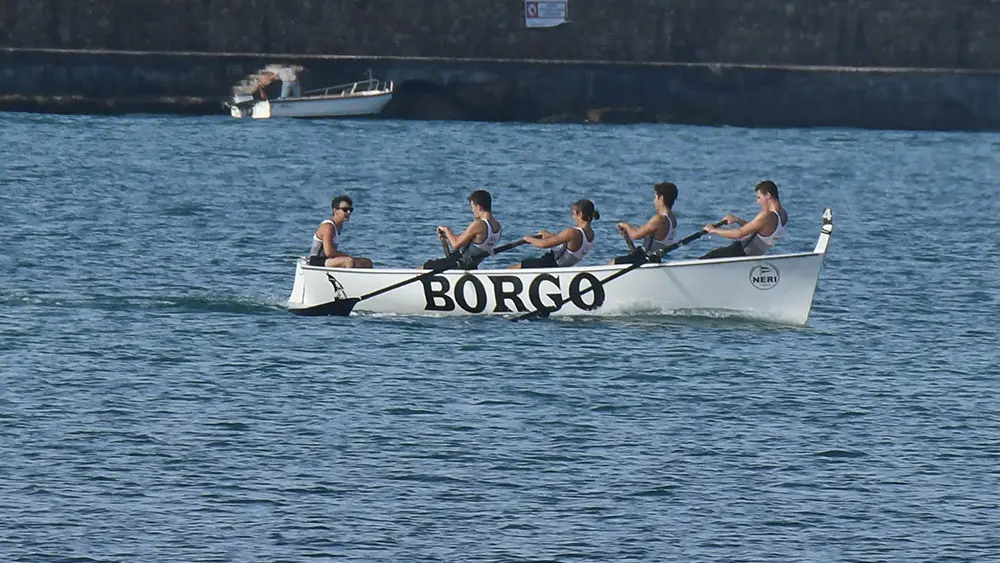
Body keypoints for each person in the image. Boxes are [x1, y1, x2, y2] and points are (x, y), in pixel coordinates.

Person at [700, 180, 788, 259]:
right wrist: (737, 220)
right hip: (750, 257)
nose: (758, 202)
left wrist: (713, 230)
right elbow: (757, 228)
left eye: (759, 197)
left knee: (708, 257)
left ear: (768, 195)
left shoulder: (767, 215)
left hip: (740, 252)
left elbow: (739, 233)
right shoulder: (783, 214)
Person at [422, 190, 502, 270]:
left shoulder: (479, 224)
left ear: (479, 207)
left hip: (458, 263)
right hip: (472, 265)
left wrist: (447, 230)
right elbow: (473, 241)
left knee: (425, 266)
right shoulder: (497, 226)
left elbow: (455, 245)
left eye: (473, 208)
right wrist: (448, 236)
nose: (473, 211)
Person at [509, 199, 599, 269]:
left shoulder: (572, 232)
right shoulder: (590, 234)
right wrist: (550, 235)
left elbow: (543, 245)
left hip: (548, 264)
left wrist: (529, 238)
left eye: (573, 214)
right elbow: (568, 243)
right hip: (560, 267)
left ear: (580, 214)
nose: (573, 217)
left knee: (512, 268)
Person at [610, 181, 679, 264]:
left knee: (612, 263)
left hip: (643, 258)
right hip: (654, 259)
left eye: (655, 197)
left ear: (661, 198)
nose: (654, 201)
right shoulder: (672, 219)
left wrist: (625, 225)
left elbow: (635, 235)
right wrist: (626, 235)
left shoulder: (659, 219)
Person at [308, 195, 373, 268]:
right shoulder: (328, 227)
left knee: (366, 262)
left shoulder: (339, 226)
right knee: (348, 261)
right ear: (335, 211)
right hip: (317, 261)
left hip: (328, 259)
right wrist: (346, 256)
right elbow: (329, 252)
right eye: (345, 210)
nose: (348, 212)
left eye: (350, 210)